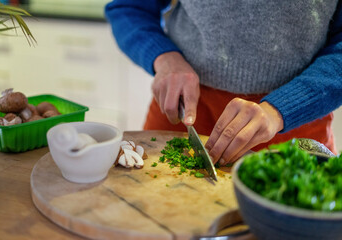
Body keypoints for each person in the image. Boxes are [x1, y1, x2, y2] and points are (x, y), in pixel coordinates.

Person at [105, 0, 342, 165]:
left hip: (294, 119)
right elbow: (129, 8)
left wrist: (280, 110)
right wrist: (165, 58)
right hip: (184, 111)